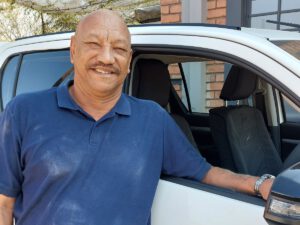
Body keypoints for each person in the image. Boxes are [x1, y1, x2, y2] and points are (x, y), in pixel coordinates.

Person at [0, 9, 273, 225]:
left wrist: (259, 184)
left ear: (129, 61)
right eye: (94, 44)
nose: (107, 58)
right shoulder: (23, 112)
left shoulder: (153, 119)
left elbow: (205, 172)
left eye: (119, 49)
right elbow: (3, 202)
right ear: (73, 50)